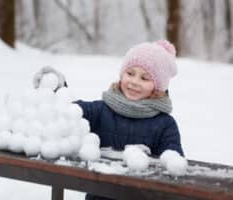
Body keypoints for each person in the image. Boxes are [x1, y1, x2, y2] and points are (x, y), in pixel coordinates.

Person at [33, 40, 184, 200]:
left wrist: (153, 160)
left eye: (144, 78)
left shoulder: (165, 124)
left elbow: (174, 163)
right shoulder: (102, 109)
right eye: (130, 73)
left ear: (158, 87)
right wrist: (56, 89)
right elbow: (70, 112)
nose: (134, 82)